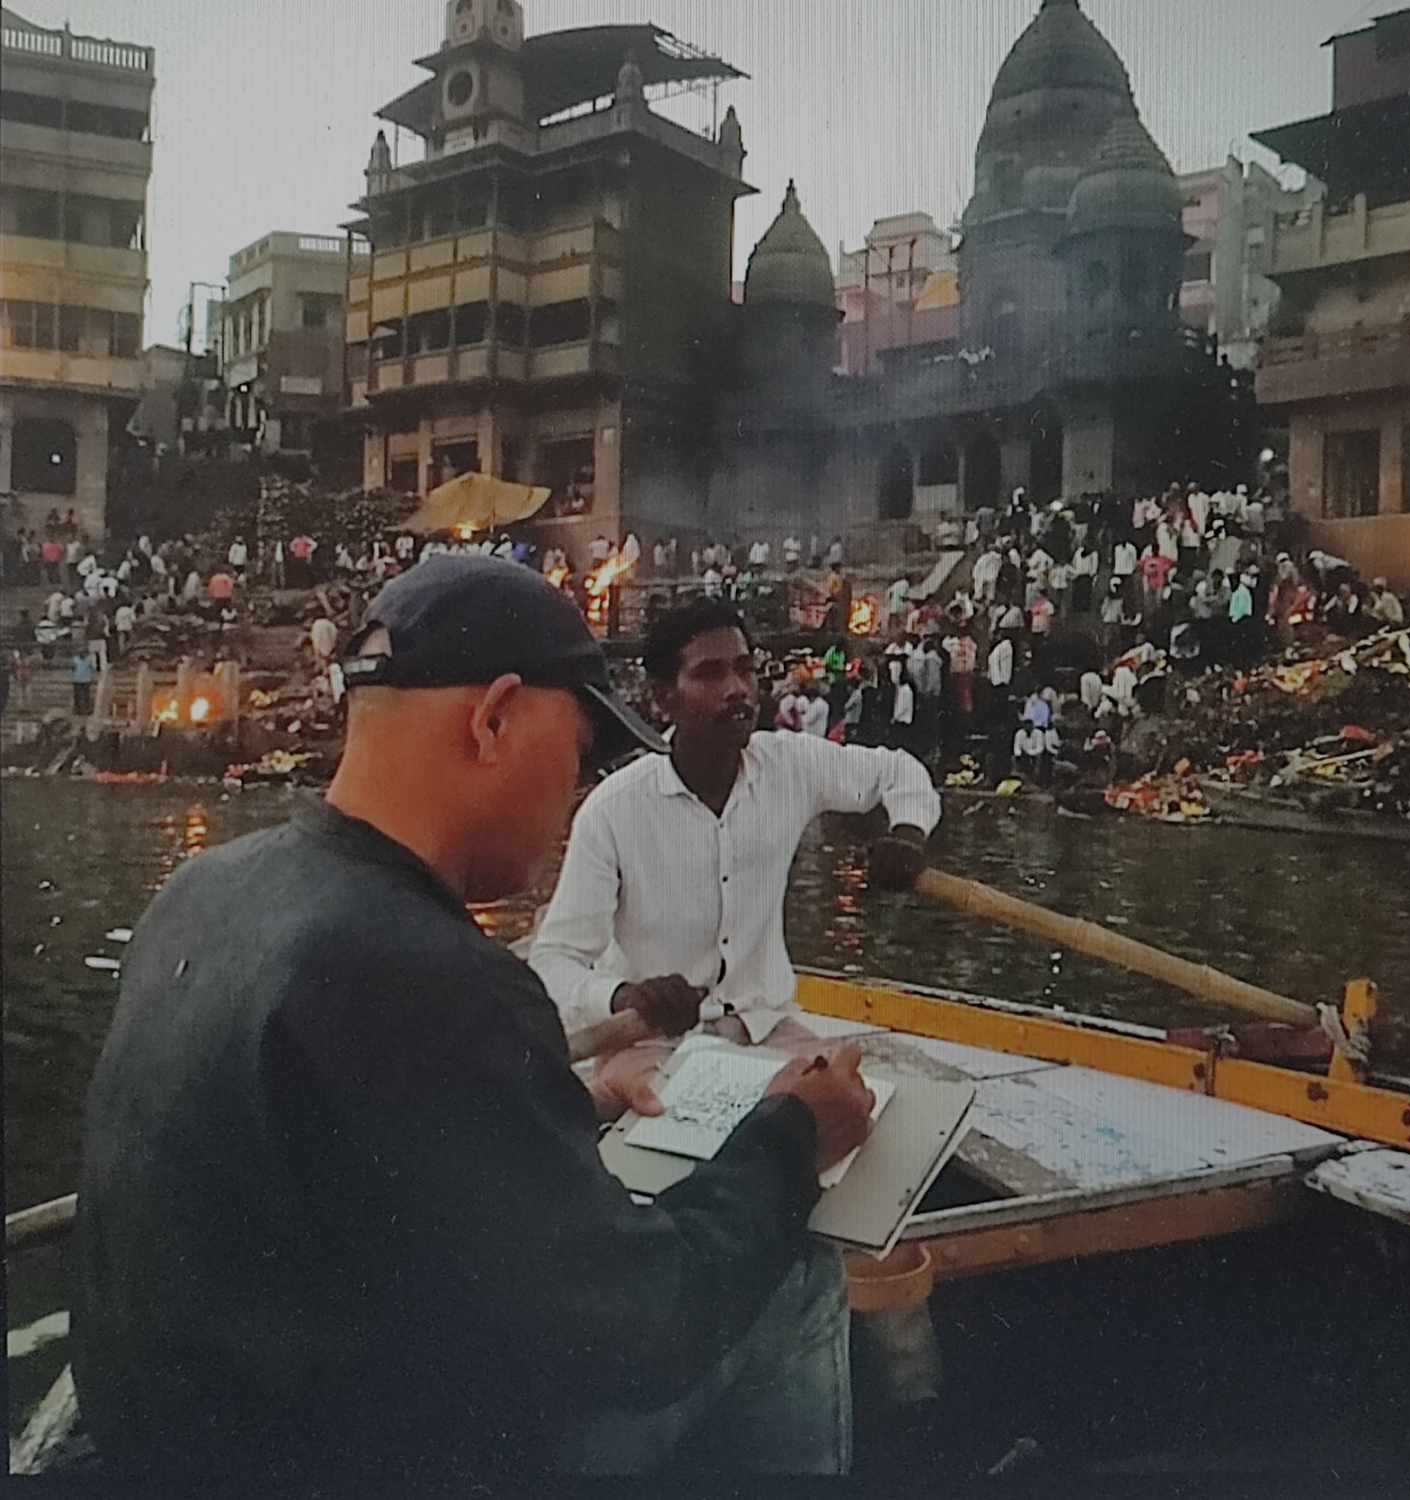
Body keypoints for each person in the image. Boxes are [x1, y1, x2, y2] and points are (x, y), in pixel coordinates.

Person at [74, 557, 874, 1484]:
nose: (574, 791)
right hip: (342, 1463)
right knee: (799, 1277)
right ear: (494, 720)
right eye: (576, 753)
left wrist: (559, 1098)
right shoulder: (429, 977)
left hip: (176, 1442)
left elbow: (357, 1148)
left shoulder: (206, 888)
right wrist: (793, 1133)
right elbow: (647, 1331)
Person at [531, 600, 936, 1056]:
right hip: (649, 1042)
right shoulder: (613, 810)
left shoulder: (790, 765)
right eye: (710, 674)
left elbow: (898, 772)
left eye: (745, 670)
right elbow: (554, 960)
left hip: (763, 1027)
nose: (738, 690)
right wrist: (623, 995)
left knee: (850, 1104)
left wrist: (909, 833)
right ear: (663, 698)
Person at [70, 645, 97, 715]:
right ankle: (77, 709)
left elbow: (92, 669)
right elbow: (73, 668)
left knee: (86, 695)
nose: (83, 654)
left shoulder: (89, 659)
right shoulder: (75, 659)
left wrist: (92, 677)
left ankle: (87, 709)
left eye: (84, 653)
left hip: (86, 680)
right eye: (81, 653)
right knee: (77, 696)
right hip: (77, 680)